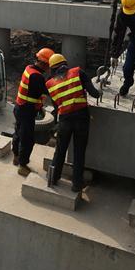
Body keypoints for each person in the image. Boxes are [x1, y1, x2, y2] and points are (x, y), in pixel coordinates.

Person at [45, 53, 101, 193]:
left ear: (52, 68)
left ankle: (53, 178)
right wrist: (98, 86)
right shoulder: (77, 72)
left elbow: (57, 106)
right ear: (65, 63)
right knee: (79, 152)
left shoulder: (50, 84)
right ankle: (76, 184)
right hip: (81, 118)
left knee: (60, 150)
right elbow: (95, 94)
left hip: (64, 120)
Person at [12, 47, 54, 176]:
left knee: (18, 133)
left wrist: (39, 104)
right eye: (49, 65)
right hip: (27, 111)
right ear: (44, 63)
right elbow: (48, 91)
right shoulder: (37, 77)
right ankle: (22, 165)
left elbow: (34, 92)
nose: (49, 68)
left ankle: (16, 156)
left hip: (19, 107)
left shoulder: (29, 69)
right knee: (27, 139)